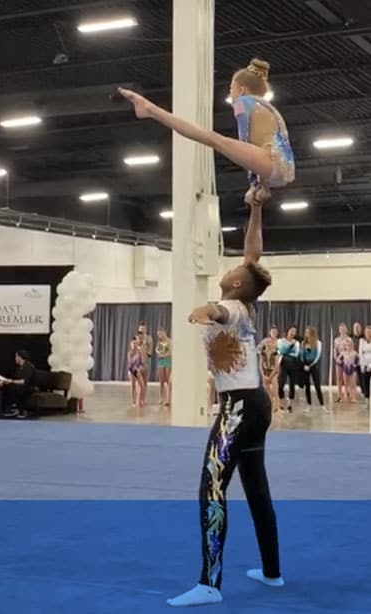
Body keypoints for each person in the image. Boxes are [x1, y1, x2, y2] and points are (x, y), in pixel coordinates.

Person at [167, 187, 283, 608]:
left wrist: (204, 311)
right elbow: (253, 255)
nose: (235, 265)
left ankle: (209, 584)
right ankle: (271, 572)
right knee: (256, 488)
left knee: (211, 487)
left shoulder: (231, 306)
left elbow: (219, 313)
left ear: (234, 284)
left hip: (238, 407)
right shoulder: (246, 297)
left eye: (235, 268)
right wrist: (254, 207)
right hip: (255, 404)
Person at [119, 58, 294, 203]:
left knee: (214, 139)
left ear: (242, 90)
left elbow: (246, 139)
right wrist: (262, 185)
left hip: (272, 162)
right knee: (216, 140)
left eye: (231, 89)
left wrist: (253, 182)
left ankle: (151, 109)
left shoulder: (244, 102)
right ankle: (150, 110)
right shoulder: (266, 107)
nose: (231, 95)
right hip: (281, 166)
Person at [0, 350, 39, 418]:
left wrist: (12, 381)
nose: (15, 358)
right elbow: (16, 379)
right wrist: (5, 381)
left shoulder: (29, 366)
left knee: (18, 389)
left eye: (16, 357)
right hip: (22, 385)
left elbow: (24, 381)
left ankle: (22, 411)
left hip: (31, 387)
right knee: (7, 387)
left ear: (20, 357)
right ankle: (9, 408)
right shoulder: (19, 367)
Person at [300, 327, 328, 413]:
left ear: (312, 333)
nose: (307, 334)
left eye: (308, 332)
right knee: (307, 386)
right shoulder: (303, 343)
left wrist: (310, 366)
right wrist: (305, 365)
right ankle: (308, 405)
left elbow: (318, 356)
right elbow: (301, 355)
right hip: (305, 367)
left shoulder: (318, 343)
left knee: (317, 386)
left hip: (314, 366)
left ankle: (322, 406)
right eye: (306, 332)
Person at [277, 327, 300, 412]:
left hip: (293, 364)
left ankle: (290, 404)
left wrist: (287, 353)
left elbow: (297, 354)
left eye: (295, 331)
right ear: (288, 331)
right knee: (280, 383)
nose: (293, 332)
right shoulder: (280, 341)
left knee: (292, 385)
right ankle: (281, 403)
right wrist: (289, 349)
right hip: (283, 364)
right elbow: (280, 351)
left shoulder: (296, 342)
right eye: (292, 330)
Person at [258, 326, 280, 413]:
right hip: (265, 371)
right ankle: (270, 405)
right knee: (267, 392)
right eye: (267, 342)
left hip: (273, 372)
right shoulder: (262, 352)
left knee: (275, 390)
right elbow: (260, 364)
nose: (268, 343)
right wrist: (263, 375)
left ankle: (277, 407)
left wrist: (271, 376)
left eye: (270, 343)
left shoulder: (275, 352)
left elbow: (276, 365)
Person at [338, 338, 359, 404]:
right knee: (346, 384)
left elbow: (360, 359)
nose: (348, 347)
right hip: (345, 368)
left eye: (350, 345)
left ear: (352, 345)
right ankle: (345, 397)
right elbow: (338, 359)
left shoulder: (354, 352)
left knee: (353, 384)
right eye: (347, 345)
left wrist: (356, 364)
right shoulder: (343, 353)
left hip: (352, 369)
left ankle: (354, 397)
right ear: (345, 346)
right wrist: (341, 362)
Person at [333, 323, 351, 402]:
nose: (342, 330)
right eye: (341, 329)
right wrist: (336, 358)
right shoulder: (336, 339)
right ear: (339, 330)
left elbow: (350, 350)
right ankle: (339, 395)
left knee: (346, 379)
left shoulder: (349, 339)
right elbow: (334, 350)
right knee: (339, 378)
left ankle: (347, 393)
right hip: (339, 360)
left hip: (346, 359)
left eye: (344, 329)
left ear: (346, 330)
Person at [155, 328, 172, 406]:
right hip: (161, 361)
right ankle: (161, 397)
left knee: (168, 380)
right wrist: (160, 354)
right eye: (159, 334)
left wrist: (163, 355)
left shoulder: (169, 341)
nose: (160, 336)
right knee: (161, 380)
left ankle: (168, 398)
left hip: (167, 360)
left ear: (165, 333)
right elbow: (157, 351)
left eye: (161, 334)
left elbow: (170, 352)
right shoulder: (159, 342)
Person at [127, 337, 145, 408]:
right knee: (133, 386)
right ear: (131, 344)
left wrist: (140, 367)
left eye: (135, 343)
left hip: (138, 370)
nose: (134, 345)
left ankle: (140, 400)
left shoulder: (139, 352)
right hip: (132, 370)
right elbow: (130, 362)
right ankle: (133, 401)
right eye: (133, 343)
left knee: (142, 386)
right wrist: (135, 357)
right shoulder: (130, 352)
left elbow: (141, 362)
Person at [137, 322, 153, 391]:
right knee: (138, 380)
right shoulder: (136, 338)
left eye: (143, 328)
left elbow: (151, 348)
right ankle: (138, 398)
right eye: (141, 329)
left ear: (146, 329)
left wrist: (147, 357)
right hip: (138, 360)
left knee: (145, 379)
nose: (142, 330)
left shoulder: (149, 338)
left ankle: (144, 397)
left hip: (146, 359)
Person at [358, 326, 371, 401]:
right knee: (365, 383)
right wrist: (362, 365)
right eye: (367, 332)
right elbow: (360, 353)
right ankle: (367, 401)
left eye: (370, 332)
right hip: (364, 365)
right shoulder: (361, 341)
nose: (368, 334)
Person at [351, 322, 364, 395]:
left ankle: (363, 391)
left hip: (362, 360)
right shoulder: (350, 337)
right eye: (355, 327)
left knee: (362, 376)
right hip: (352, 359)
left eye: (358, 327)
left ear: (360, 329)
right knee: (351, 376)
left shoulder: (363, 337)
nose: (356, 329)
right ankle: (351, 392)